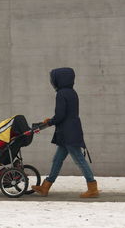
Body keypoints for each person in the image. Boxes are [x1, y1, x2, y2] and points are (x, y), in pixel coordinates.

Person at [32, 67, 99, 198]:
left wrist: (49, 122)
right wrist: (52, 121)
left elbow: (60, 115)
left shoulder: (61, 94)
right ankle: (45, 187)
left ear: (59, 79)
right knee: (57, 160)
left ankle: (92, 188)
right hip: (69, 131)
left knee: (79, 160)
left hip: (68, 133)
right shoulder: (72, 92)